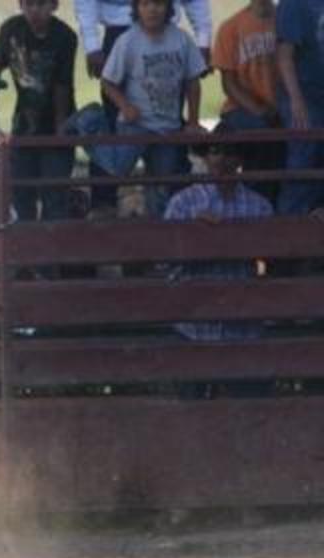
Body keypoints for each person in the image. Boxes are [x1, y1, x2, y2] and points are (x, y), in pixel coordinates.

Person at [75, 0, 212, 218]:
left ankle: (168, 216)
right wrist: (92, 44)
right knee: (116, 159)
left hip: (166, 119)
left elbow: (192, 82)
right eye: (147, 3)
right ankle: (103, 208)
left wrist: (203, 36)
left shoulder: (181, 40)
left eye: (157, 4)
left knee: (165, 172)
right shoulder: (127, 41)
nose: (152, 8)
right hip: (117, 28)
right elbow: (109, 82)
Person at [164, 133, 273, 396]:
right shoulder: (183, 203)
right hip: (193, 324)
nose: (222, 159)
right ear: (206, 157)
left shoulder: (260, 207)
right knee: (189, 410)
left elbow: (266, 267)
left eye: (230, 152)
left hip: (243, 326)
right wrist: (193, 236)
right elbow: (166, 264)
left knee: (250, 409)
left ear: (240, 160)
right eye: (215, 151)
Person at [0, 0, 78, 222]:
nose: (35, 10)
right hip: (24, 122)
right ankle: (25, 250)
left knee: (54, 194)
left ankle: (52, 252)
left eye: (41, 4)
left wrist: (60, 128)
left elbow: (63, 84)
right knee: (21, 193)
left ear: (54, 5)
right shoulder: (11, 30)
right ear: (21, 5)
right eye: (29, 4)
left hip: (57, 120)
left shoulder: (65, 36)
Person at [213, 0, 280, 204]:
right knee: (262, 137)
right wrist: (259, 111)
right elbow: (229, 83)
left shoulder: (287, 21)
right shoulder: (230, 27)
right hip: (241, 108)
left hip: (284, 106)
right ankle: (257, 203)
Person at [275, 0, 324, 215]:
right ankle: (290, 224)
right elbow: (285, 55)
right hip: (304, 92)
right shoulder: (295, 4)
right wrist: (296, 100)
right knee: (303, 155)